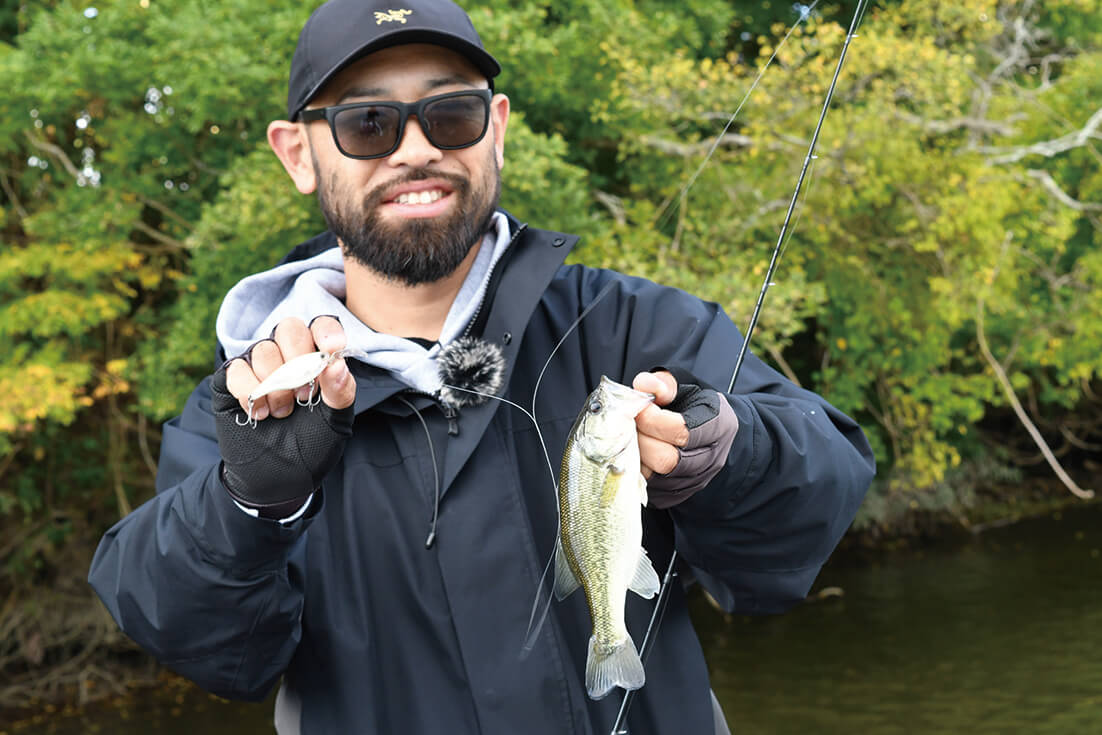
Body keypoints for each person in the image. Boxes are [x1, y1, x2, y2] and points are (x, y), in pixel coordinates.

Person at [88, 1, 876, 733]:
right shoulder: (247, 404)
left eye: (451, 113)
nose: (418, 148)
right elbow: (200, 642)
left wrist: (728, 453)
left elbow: (818, 496)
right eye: (368, 123)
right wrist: (250, 508)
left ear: (495, 128)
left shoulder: (633, 326)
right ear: (298, 153)